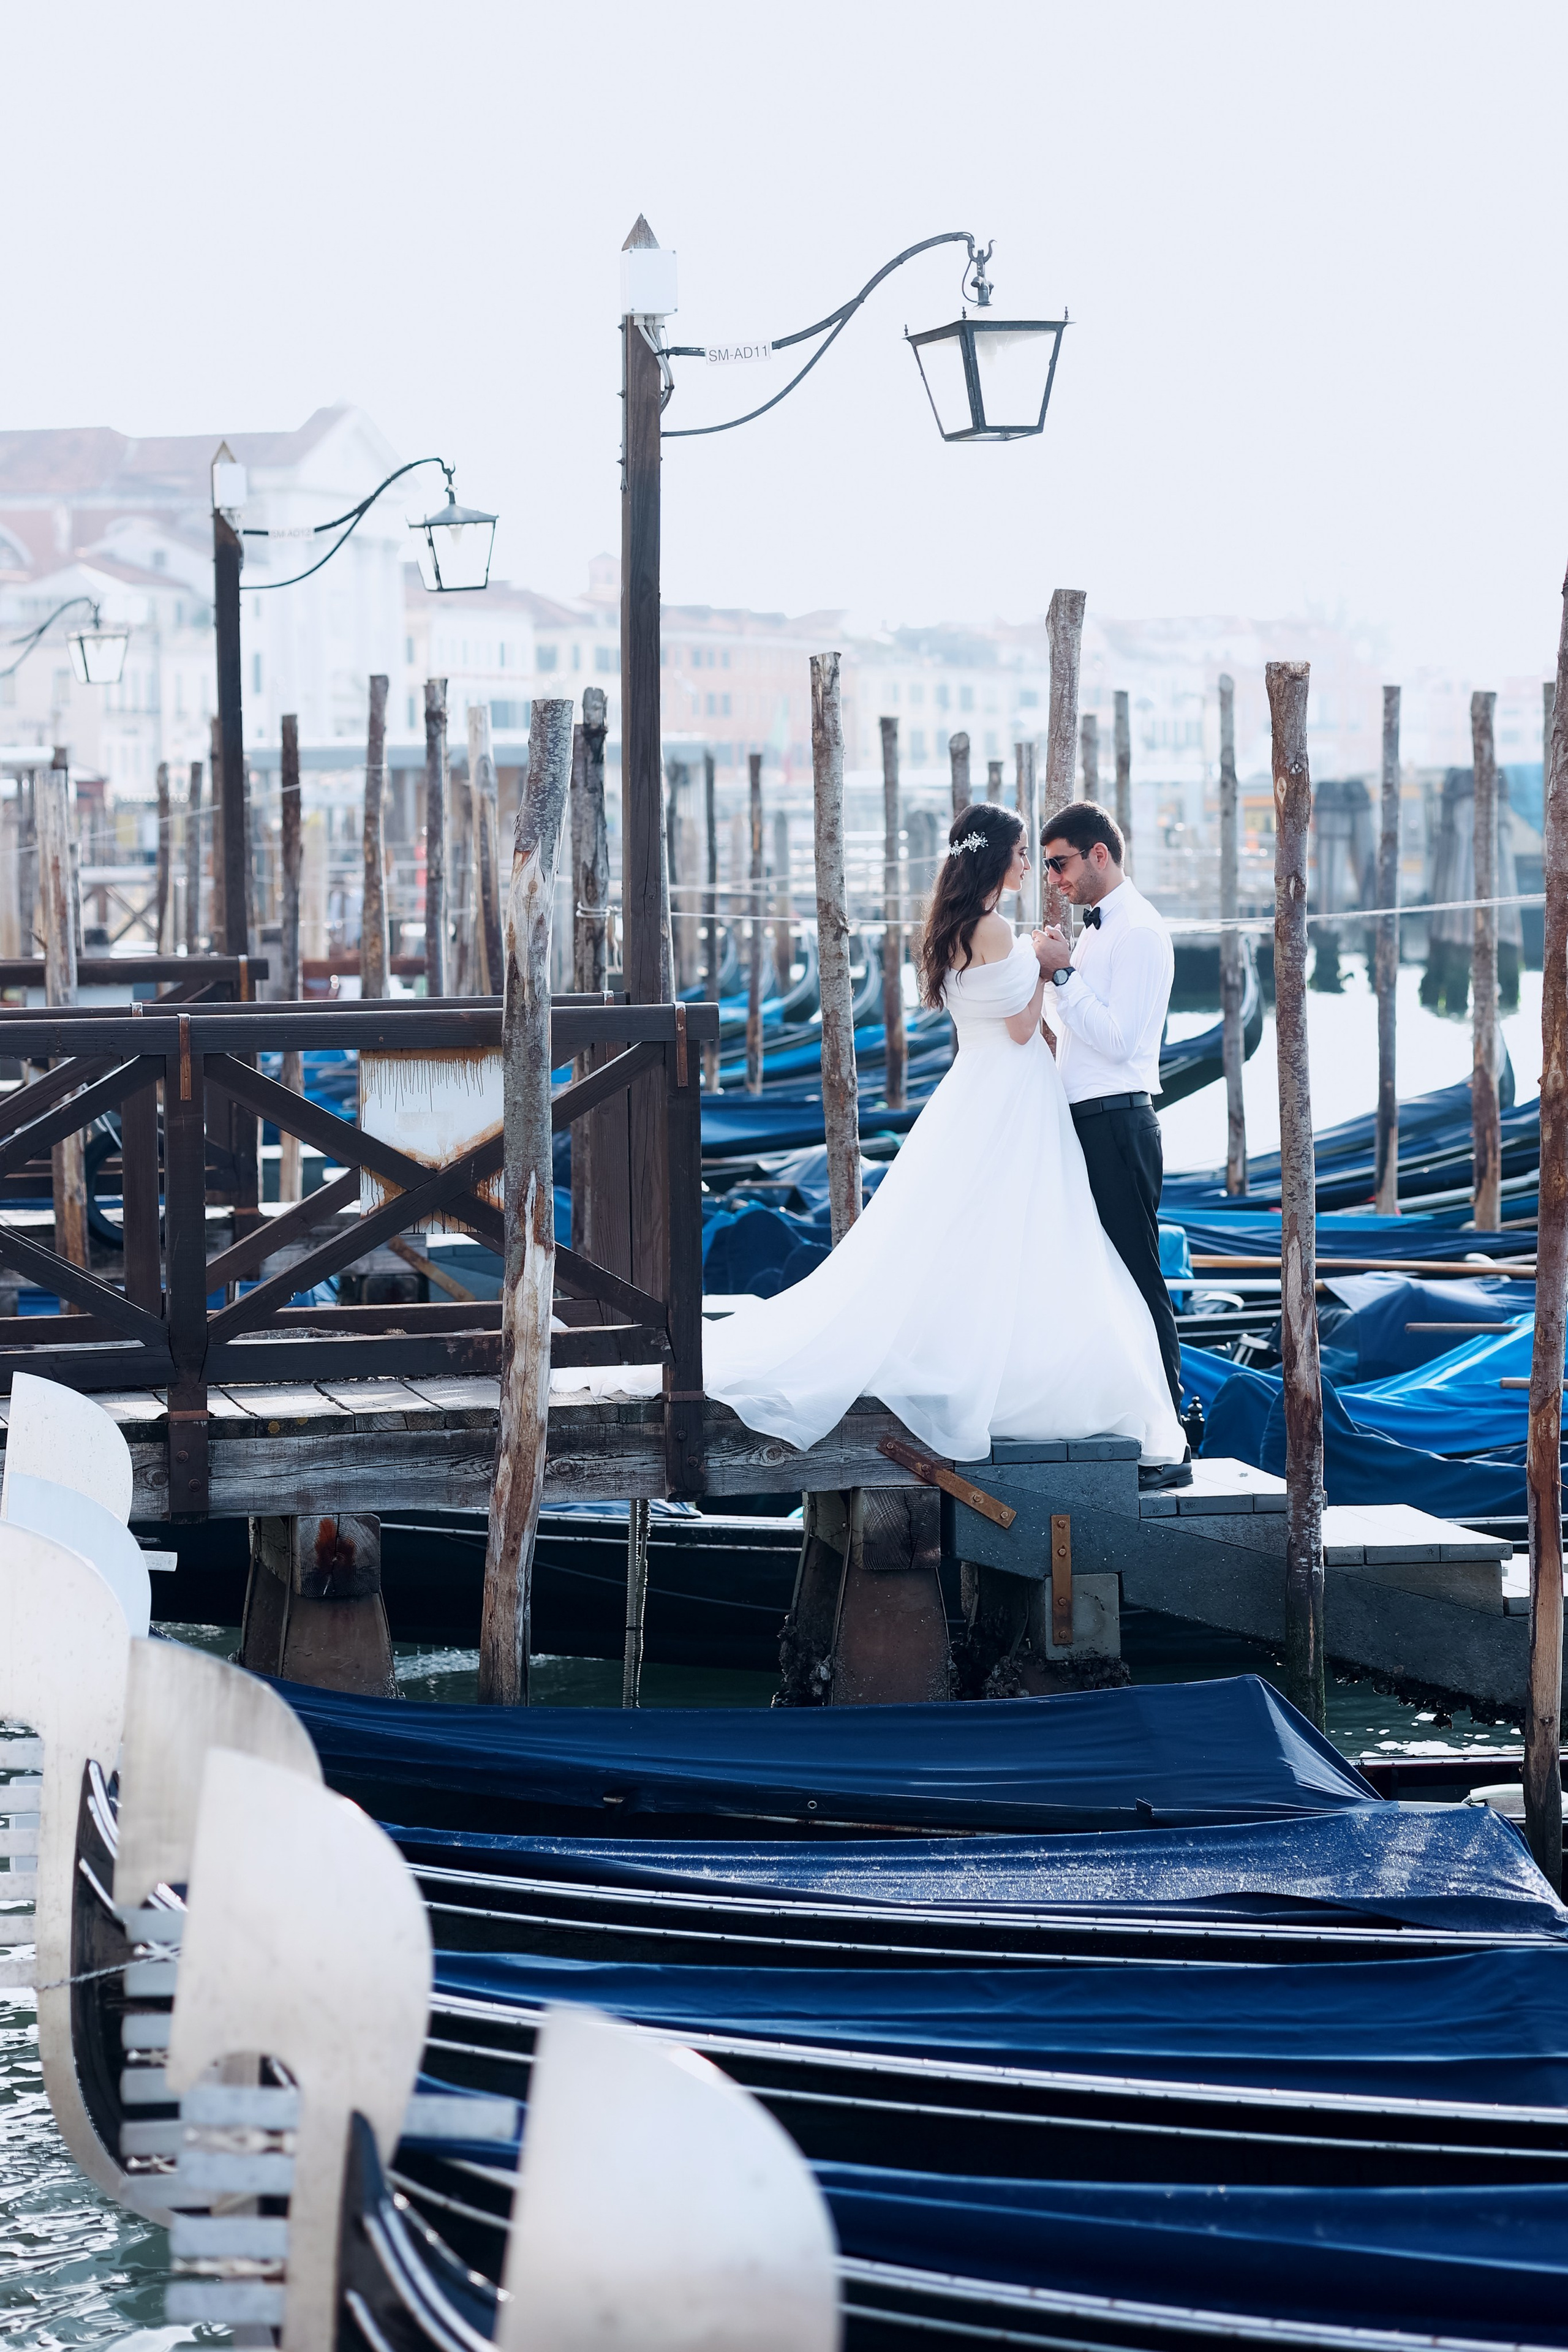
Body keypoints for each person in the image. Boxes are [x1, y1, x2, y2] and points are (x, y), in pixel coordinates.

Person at [701, 803, 1186, 1472]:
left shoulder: (971, 928)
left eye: (1052, 860)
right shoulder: (1000, 930)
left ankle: (1162, 1414)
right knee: (1041, 1240)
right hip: (1021, 1093)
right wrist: (1047, 969)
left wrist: (1049, 969)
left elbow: (1105, 1036)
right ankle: (1115, 1405)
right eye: (1028, 856)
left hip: (1010, 1094)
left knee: (1028, 1242)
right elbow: (1023, 1029)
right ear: (999, 858)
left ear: (1098, 854)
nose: (1037, 870)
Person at [1031, 801, 1188, 1480]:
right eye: (1044, 868)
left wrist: (1062, 976)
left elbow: (1124, 1042)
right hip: (1087, 1116)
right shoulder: (1095, 932)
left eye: (1059, 864)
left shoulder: (1141, 933)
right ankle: (1125, 1416)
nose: (1052, 880)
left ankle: (1172, 1428)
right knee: (1098, 1276)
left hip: (1120, 1119)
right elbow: (1086, 1038)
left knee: (1137, 1273)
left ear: (1099, 854)